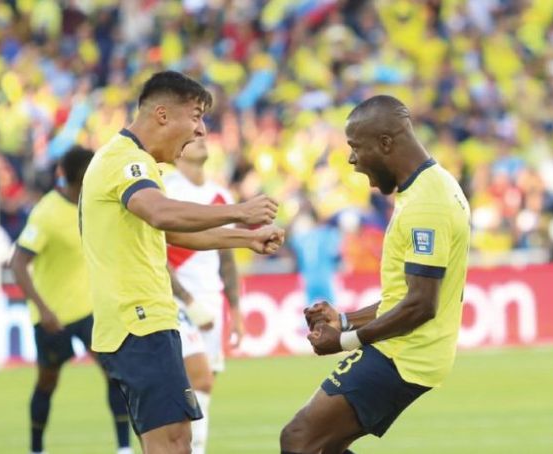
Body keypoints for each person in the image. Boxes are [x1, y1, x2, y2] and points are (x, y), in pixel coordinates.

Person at [79, 70, 284, 454]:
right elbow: (160, 214)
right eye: (195, 116)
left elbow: (173, 234)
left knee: (174, 440)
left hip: (144, 321)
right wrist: (239, 211)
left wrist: (247, 238)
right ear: (162, 115)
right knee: (171, 442)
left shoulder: (135, 164)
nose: (201, 131)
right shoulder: (126, 160)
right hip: (139, 320)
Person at [279, 95, 471, 453]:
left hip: (405, 355)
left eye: (355, 147)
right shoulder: (429, 186)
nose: (351, 159)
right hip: (407, 349)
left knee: (299, 440)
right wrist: (345, 319)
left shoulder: (427, 203)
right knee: (325, 444)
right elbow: (408, 296)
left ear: (385, 143)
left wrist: (345, 341)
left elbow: (421, 305)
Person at [10, 146, 133, 454]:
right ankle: (36, 448)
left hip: (91, 310)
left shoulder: (94, 204)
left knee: (115, 375)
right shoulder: (46, 213)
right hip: (54, 316)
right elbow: (18, 263)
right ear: (83, 177)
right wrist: (43, 309)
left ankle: (124, 448)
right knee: (47, 382)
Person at [163, 137, 245, 454]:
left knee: (201, 390)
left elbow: (226, 257)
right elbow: (157, 255)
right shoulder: (166, 191)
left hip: (212, 299)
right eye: (192, 137)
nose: (200, 139)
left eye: (203, 135)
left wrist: (235, 311)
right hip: (175, 301)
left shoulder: (220, 195)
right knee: (200, 380)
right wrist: (188, 300)